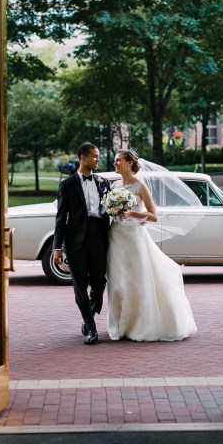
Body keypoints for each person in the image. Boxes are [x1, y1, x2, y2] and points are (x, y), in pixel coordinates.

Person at [106, 150, 197, 341]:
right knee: (118, 282)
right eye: (115, 161)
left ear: (129, 163)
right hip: (116, 236)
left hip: (134, 238)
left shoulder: (140, 186)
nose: (115, 163)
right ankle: (121, 324)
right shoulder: (114, 185)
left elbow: (153, 215)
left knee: (137, 281)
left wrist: (132, 214)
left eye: (118, 160)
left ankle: (141, 324)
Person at [52, 143, 111, 345]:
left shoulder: (104, 182)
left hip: (99, 239)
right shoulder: (67, 185)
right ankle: (91, 328)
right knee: (79, 285)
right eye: (94, 156)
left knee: (99, 283)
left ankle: (89, 316)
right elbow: (61, 218)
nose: (97, 160)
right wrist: (56, 247)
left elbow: (109, 212)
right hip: (75, 241)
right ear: (83, 158)